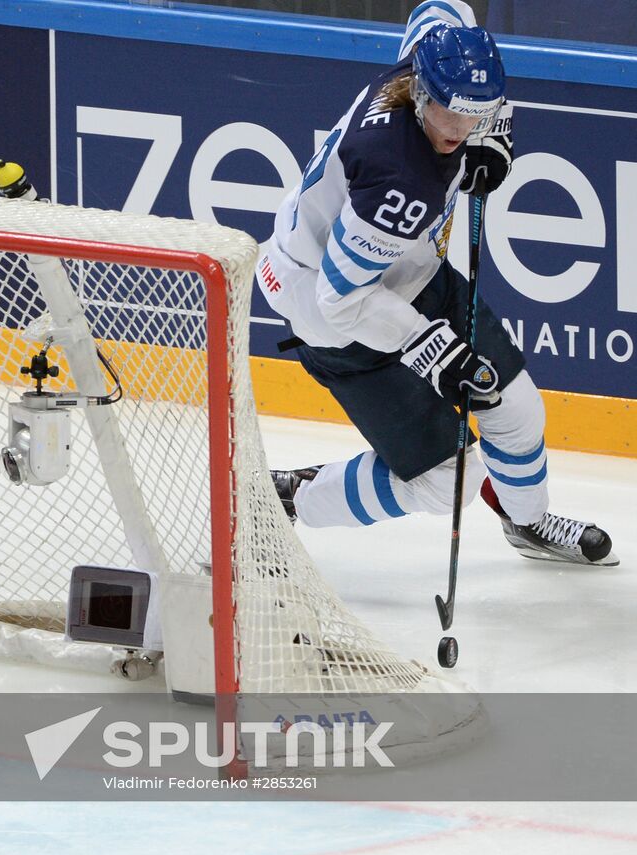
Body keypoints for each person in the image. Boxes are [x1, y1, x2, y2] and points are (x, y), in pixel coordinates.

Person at [257, 1, 616, 567]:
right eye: (451, 115)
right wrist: (431, 350)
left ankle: (528, 525)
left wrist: (493, 134)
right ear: (423, 91)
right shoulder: (399, 180)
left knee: (517, 409)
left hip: (409, 269)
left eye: (474, 114)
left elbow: (443, 6)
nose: (457, 130)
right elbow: (341, 299)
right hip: (336, 317)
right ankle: (293, 498)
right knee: (449, 478)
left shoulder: (435, 57)